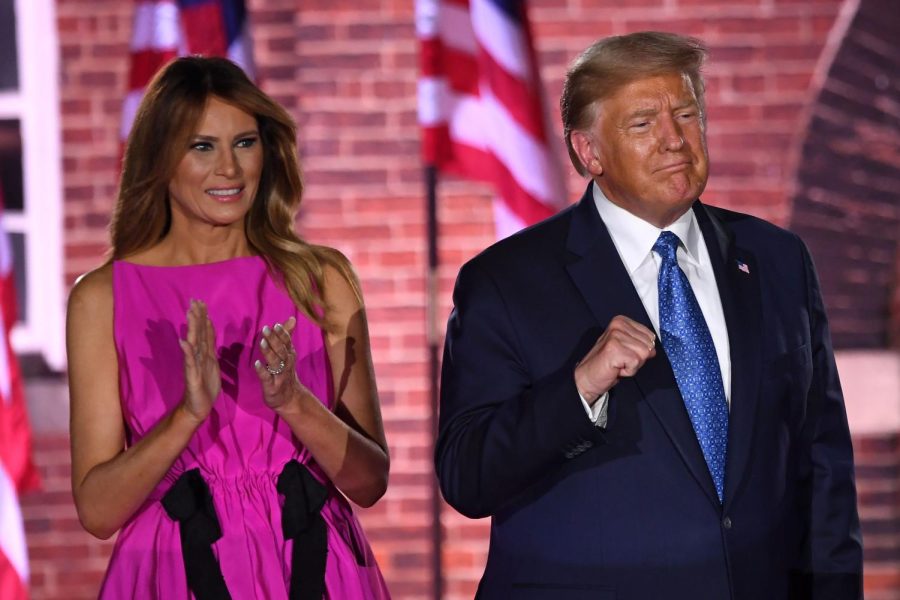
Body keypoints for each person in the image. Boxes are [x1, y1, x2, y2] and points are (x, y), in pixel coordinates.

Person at [436, 31, 862, 599]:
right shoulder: (506, 281)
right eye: (642, 125)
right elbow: (468, 475)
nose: (674, 141)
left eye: (686, 114)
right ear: (589, 152)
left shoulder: (778, 260)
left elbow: (823, 462)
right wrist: (580, 388)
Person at [67, 56, 391, 599]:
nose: (231, 170)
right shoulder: (102, 299)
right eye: (202, 146)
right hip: (174, 573)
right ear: (160, 157)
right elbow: (98, 512)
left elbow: (369, 483)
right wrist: (187, 416)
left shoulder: (321, 278)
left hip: (313, 566)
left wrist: (293, 401)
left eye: (245, 143)